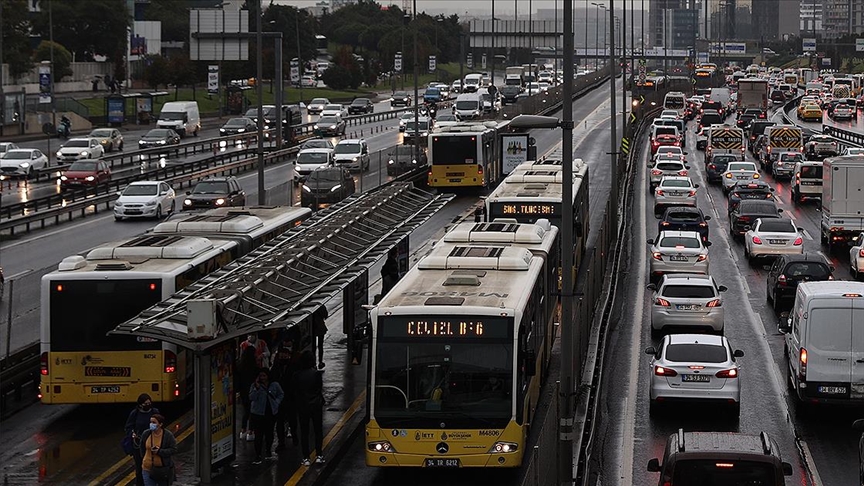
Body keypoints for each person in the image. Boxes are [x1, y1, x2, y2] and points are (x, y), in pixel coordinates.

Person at [293, 350, 325, 466]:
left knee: (304, 432)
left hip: (303, 405)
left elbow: (295, 391)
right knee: (317, 431)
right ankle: (319, 455)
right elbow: (319, 388)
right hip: (315, 404)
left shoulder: (296, 375)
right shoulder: (316, 374)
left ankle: (306, 457)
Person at [248, 368, 284, 464]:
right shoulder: (255, 386)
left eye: (264, 376)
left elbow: (281, 394)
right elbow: (251, 397)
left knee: (269, 434)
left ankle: (268, 450)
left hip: (270, 413)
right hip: (258, 414)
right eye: (261, 376)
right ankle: (258, 455)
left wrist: (277, 402)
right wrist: (257, 388)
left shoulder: (275, 385)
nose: (263, 378)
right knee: (258, 435)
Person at [125, 394, 160, 486]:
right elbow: (128, 427)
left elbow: (160, 425)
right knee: (139, 467)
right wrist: (132, 434)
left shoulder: (154, 412)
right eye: (145, 403)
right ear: (140, 404)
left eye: (149, 403)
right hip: (138, 445)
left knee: (153, 465)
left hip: (152, 442)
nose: (148, 405)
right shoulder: (135, 413)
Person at [270, 341, 299, 450]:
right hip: (279, 399)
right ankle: (281, 442)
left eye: (285, 354)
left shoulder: (293, 366)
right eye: (281, 354)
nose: (283, 356)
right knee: (280, 422)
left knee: (292, 419)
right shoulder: (276, 367)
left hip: (290, 397)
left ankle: (294, 435)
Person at [138, 414, 176, 486]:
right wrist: (144, 459)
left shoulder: (168, 435)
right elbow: (142, 447)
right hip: (147, 468)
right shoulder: (146, 433)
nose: (151, 424)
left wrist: (159, 451)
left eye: (154, 422)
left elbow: (173, 449)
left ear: (160, 424)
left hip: (162, 470)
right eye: (150, 422)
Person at [236, 345, 258, 442]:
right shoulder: (254, 367)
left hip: (243, 392)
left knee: (246, 411)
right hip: (252, 391)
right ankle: (250, 431)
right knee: (252, 412)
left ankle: (243, 430)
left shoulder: (240, 366)